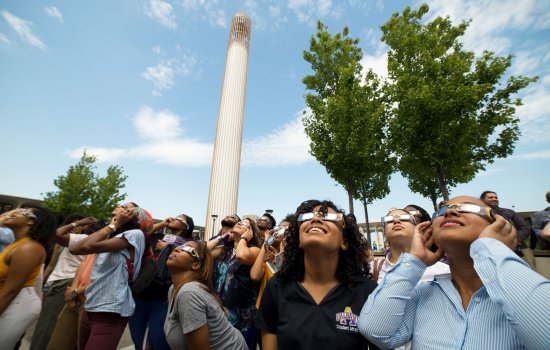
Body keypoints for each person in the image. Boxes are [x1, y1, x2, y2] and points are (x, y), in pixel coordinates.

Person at [359, 196, 550, 349]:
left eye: (468, 207)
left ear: (500, 225)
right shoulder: (423, 294)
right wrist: (414, 262)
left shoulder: (520, 290)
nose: (450, 211)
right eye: (441, 211)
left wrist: (490, 248)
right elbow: (376, 331)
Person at [256, 200, 378, 349]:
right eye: (307, 217)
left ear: (344, 242)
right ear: (298, 240)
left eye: (329, 217)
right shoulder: (276, 287)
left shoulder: (368, 292)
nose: (316, 219)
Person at [70, 204, 149, 350]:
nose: (119, 206)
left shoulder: (136, 234)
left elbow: (90, 246)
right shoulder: (112, 234)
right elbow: (76, 249)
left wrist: (114, 224)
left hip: (111, 309)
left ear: (134, 216)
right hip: (92, 305)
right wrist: (112, 226)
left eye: (125, 207)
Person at [164, 240, 247, 349]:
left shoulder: (189, 293)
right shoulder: (173, 289)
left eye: (186, 248)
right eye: (178, 246)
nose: (177, 248)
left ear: (196, 264)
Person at [129, 213, 194, 350]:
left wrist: (168, 247)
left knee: (159, 338)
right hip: (141, 291)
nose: (174, 218)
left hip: (162, 297)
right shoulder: (157, 236)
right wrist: (162, 224)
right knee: (138, 339)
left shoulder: (188, 243)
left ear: (186, 226)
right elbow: (142, 232)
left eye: (179, 219)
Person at [30, 214, 93, 350]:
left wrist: (78, 223)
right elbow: (53, 264)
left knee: (47, 328)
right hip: (56, 283)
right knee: (46, 325)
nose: (74, 227)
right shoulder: (76, 240)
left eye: (80, 225)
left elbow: (56, 233)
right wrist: (45, 284)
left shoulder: (83, 239)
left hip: (65, 284)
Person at [0, 207, 57, 349]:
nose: (13, 213)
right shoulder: (16, 243)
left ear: (31, 221)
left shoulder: (29, 248)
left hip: (16, 303)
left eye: (22, 211)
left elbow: (11, 291)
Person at [210, 218, 261, 350]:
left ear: (251, 232)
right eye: (239, 222)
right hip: (219, 314)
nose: (239, 223)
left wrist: (243, 239)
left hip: (243, 319)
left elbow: (242, 257)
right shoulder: (224, 250)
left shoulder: (255, 250)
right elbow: (202, 252)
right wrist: (222, 238)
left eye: (245, 224)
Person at [373, 208, 449, 284]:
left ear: (417, 228)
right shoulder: (372, 269)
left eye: (404, 218)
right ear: (384, 233)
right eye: (389, 220)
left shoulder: (444, 271)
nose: (396, 221)